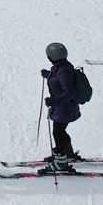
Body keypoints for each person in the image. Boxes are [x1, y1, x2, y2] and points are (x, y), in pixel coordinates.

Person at [40, 42, 82, 174]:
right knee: (60, 131)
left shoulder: (63, 70)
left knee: (57, 132)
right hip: (63, 108)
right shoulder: (62, 66)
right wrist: (48, 74)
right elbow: (60, 79)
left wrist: (53, 101)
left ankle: (61, 163)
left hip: (65, 109)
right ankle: (67, 155)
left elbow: (69, 93)